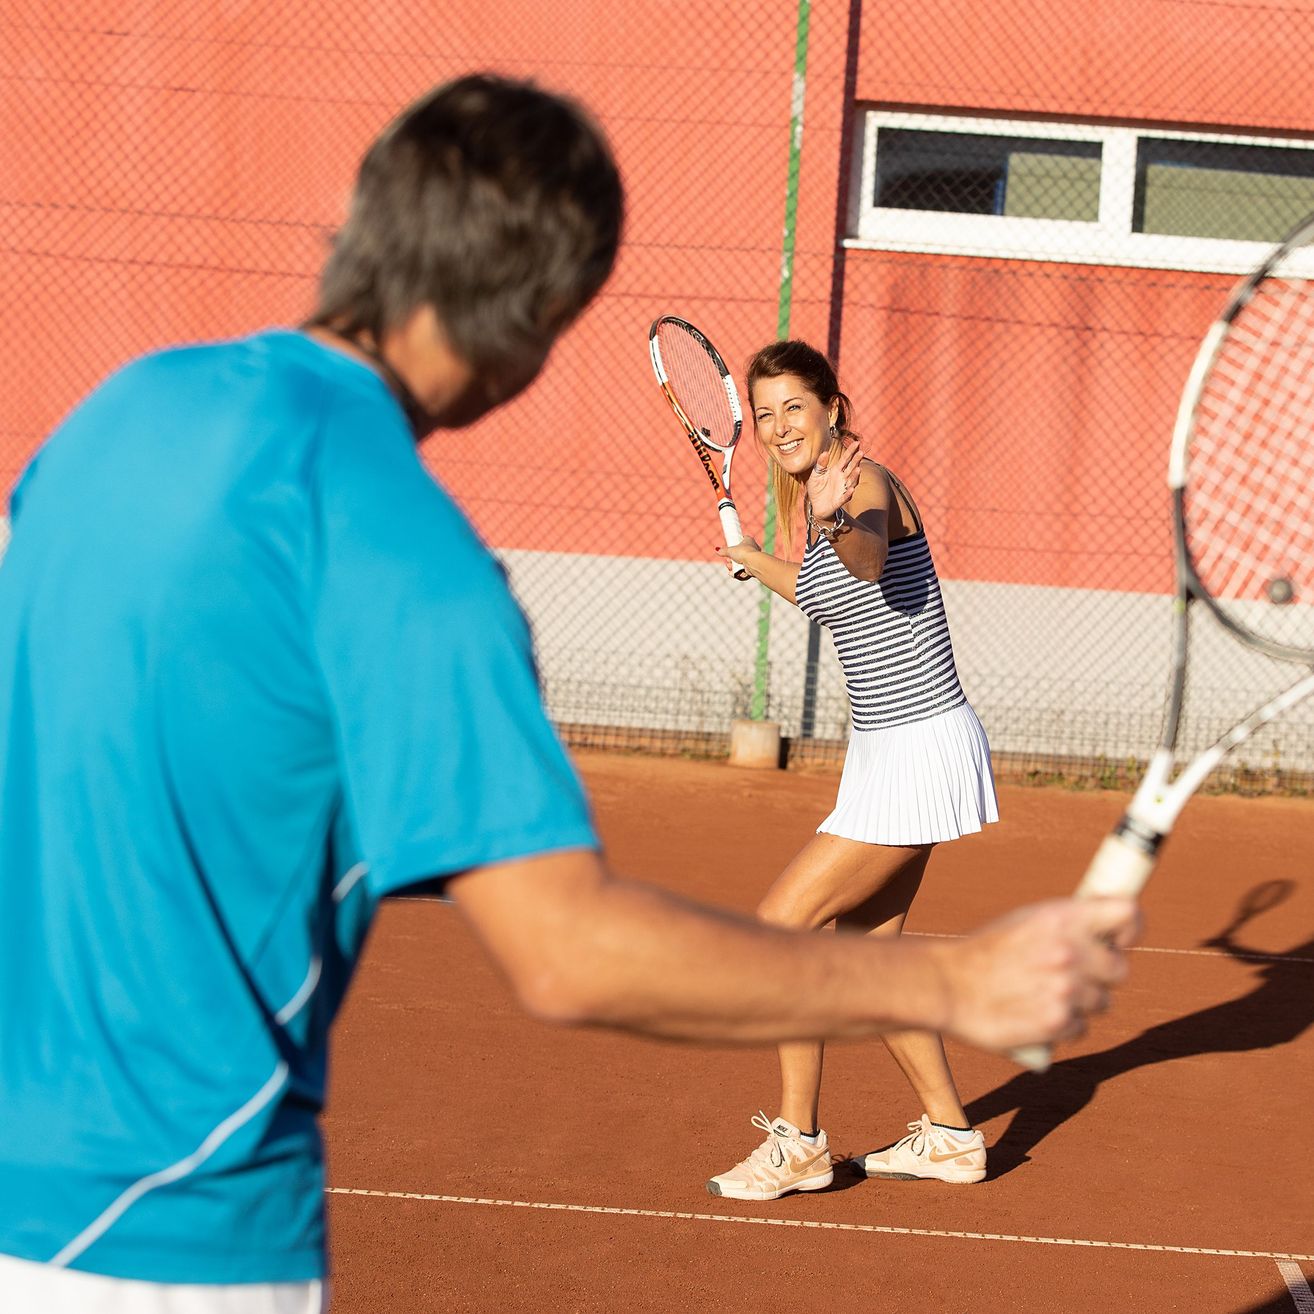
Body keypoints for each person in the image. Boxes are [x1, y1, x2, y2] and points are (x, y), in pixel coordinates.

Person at [0, 74, 1136, 1312]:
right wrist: (956, 984)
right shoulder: (411, 557)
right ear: (535, 309)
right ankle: (834, 1133)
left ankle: (869, 1133)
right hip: (170, 1232)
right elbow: (571, 955)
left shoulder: (114, 414)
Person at [711, 340, 1001, 1201]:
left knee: (783, 924)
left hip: (918, 744)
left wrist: (835, 516)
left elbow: (868, 557)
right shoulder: (816, 500)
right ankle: (951, 1135)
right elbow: (824, 592)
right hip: (886, 750)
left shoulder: (861, 485)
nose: (775, 427)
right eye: (762, 414)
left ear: (834, 408)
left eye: (793, 407)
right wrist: (751, 557)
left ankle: (799, 1141)